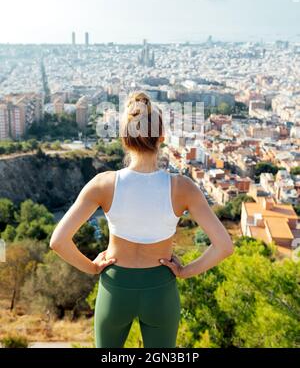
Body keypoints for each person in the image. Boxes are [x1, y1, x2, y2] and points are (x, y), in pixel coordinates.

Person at [50, 91, 234, 348]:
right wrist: (184, 271)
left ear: (124, 139)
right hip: (161, 288)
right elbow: (224, 246)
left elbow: (58, 242)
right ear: (161, 138)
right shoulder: (183, 188)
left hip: (115, 287)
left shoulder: (103, 184)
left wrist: (92, 267)